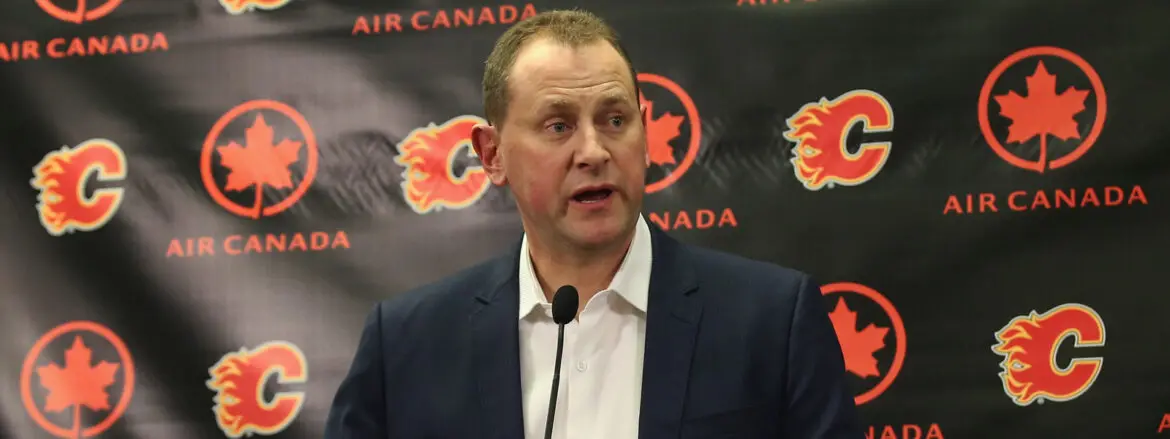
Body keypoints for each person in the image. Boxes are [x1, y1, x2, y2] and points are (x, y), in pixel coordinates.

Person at [324, 9, 863, 439]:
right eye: (558, 126)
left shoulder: (772, 322)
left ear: (645, 133)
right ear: (492, 154)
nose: (594, 151)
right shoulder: (405, 346)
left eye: (615, 120)